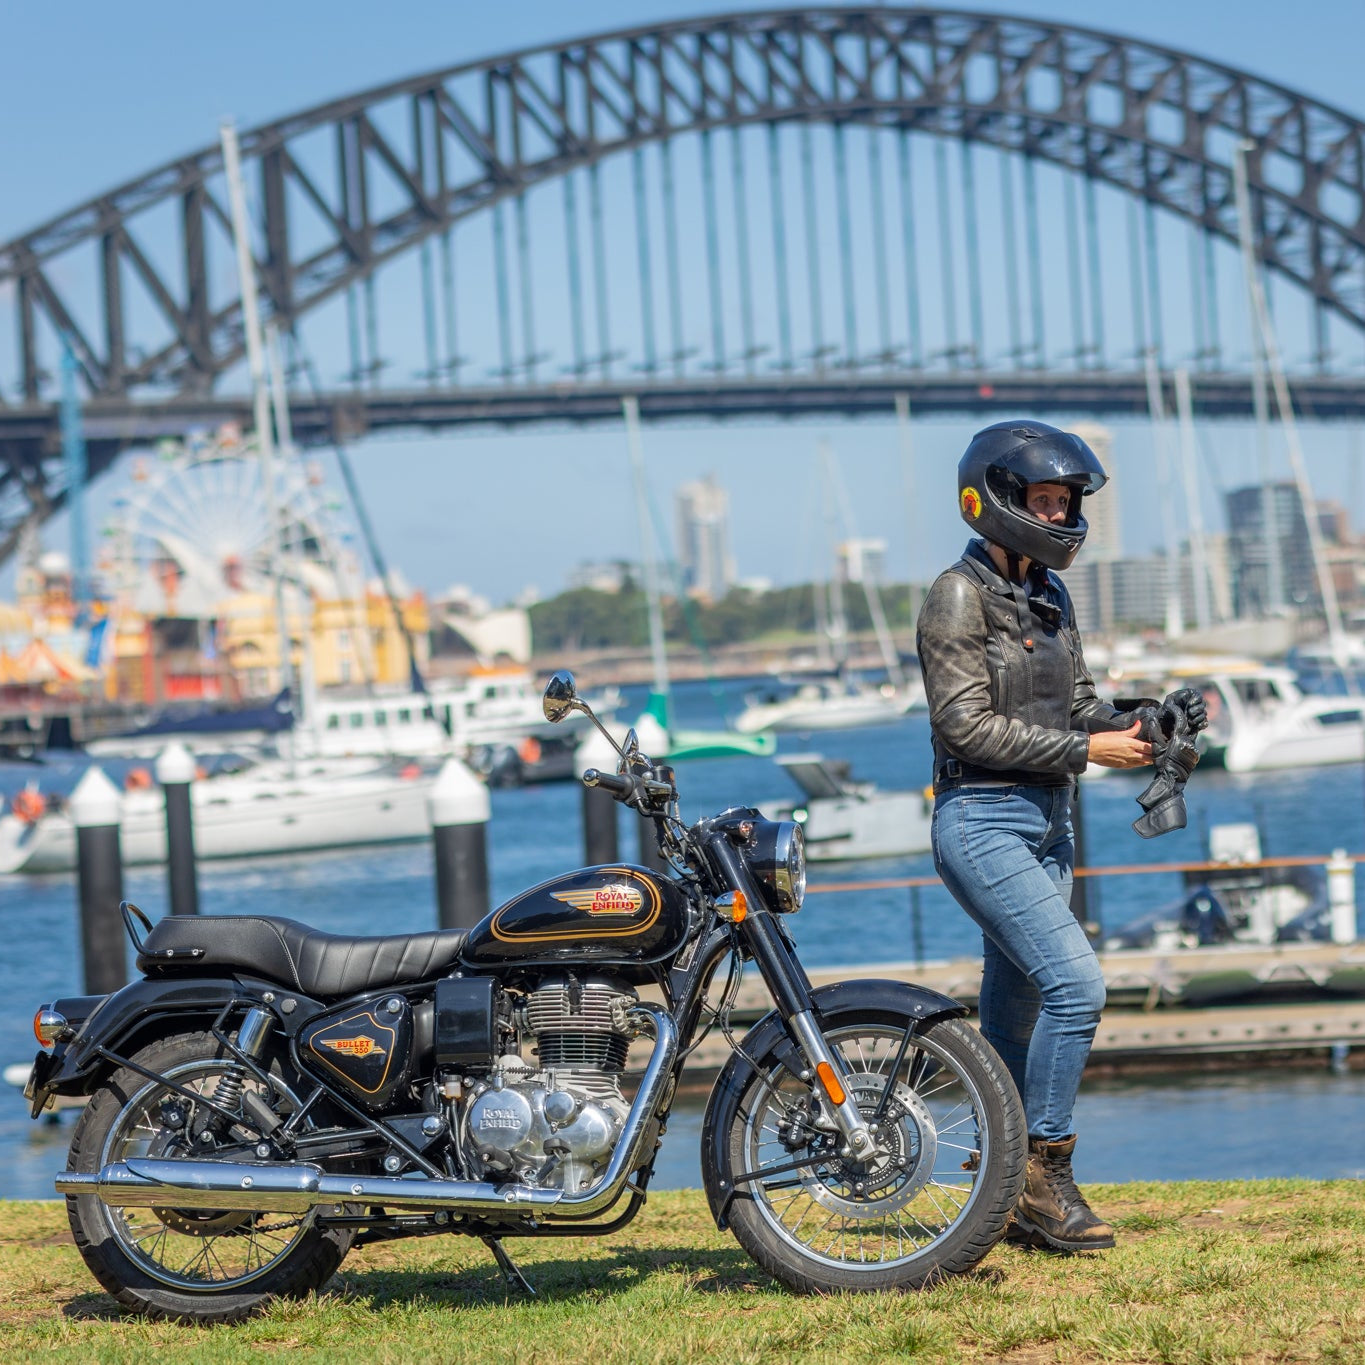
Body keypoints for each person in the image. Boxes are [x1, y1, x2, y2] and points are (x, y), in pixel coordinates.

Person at [916, 419, 1202, 1253]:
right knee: (1077, 988)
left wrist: (1143, 716)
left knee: (1014, 1016)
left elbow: (1077, 705)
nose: (1058, 514)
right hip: (980, 820)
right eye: (1043, 499)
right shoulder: (956, 594)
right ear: (996, 500)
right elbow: (964, 726)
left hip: (1048, 822)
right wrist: (1090, 748)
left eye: (1065, 501)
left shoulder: (1048, 591)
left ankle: (996, 1196)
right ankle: (1045, 1171)